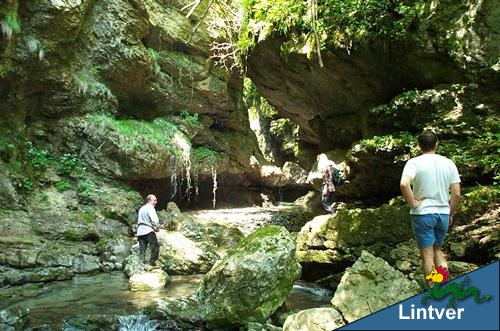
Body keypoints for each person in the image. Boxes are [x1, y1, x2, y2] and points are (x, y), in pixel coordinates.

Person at [400, 130, 461, 287]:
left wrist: (413, 203)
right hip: (443, 213)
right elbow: (457, 193)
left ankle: (434, 292)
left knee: (427, 256)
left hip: (423, 214)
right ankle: (444, 288)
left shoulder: (414, 163)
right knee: (437, 251)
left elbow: (404, 183)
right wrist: (451, 212)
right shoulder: (449, 163)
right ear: (437, 144)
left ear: (418, 145)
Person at [136, 194, 161, 271]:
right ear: (149, 201)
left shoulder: (141, 209)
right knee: (155, 247)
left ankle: (141, 268)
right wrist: (157, 228)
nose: (156, 202)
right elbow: (154, 220)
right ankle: (151, 264)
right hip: (148, 231)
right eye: (154, 200)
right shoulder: (150, 208)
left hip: (140, 232)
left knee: (142, 251)